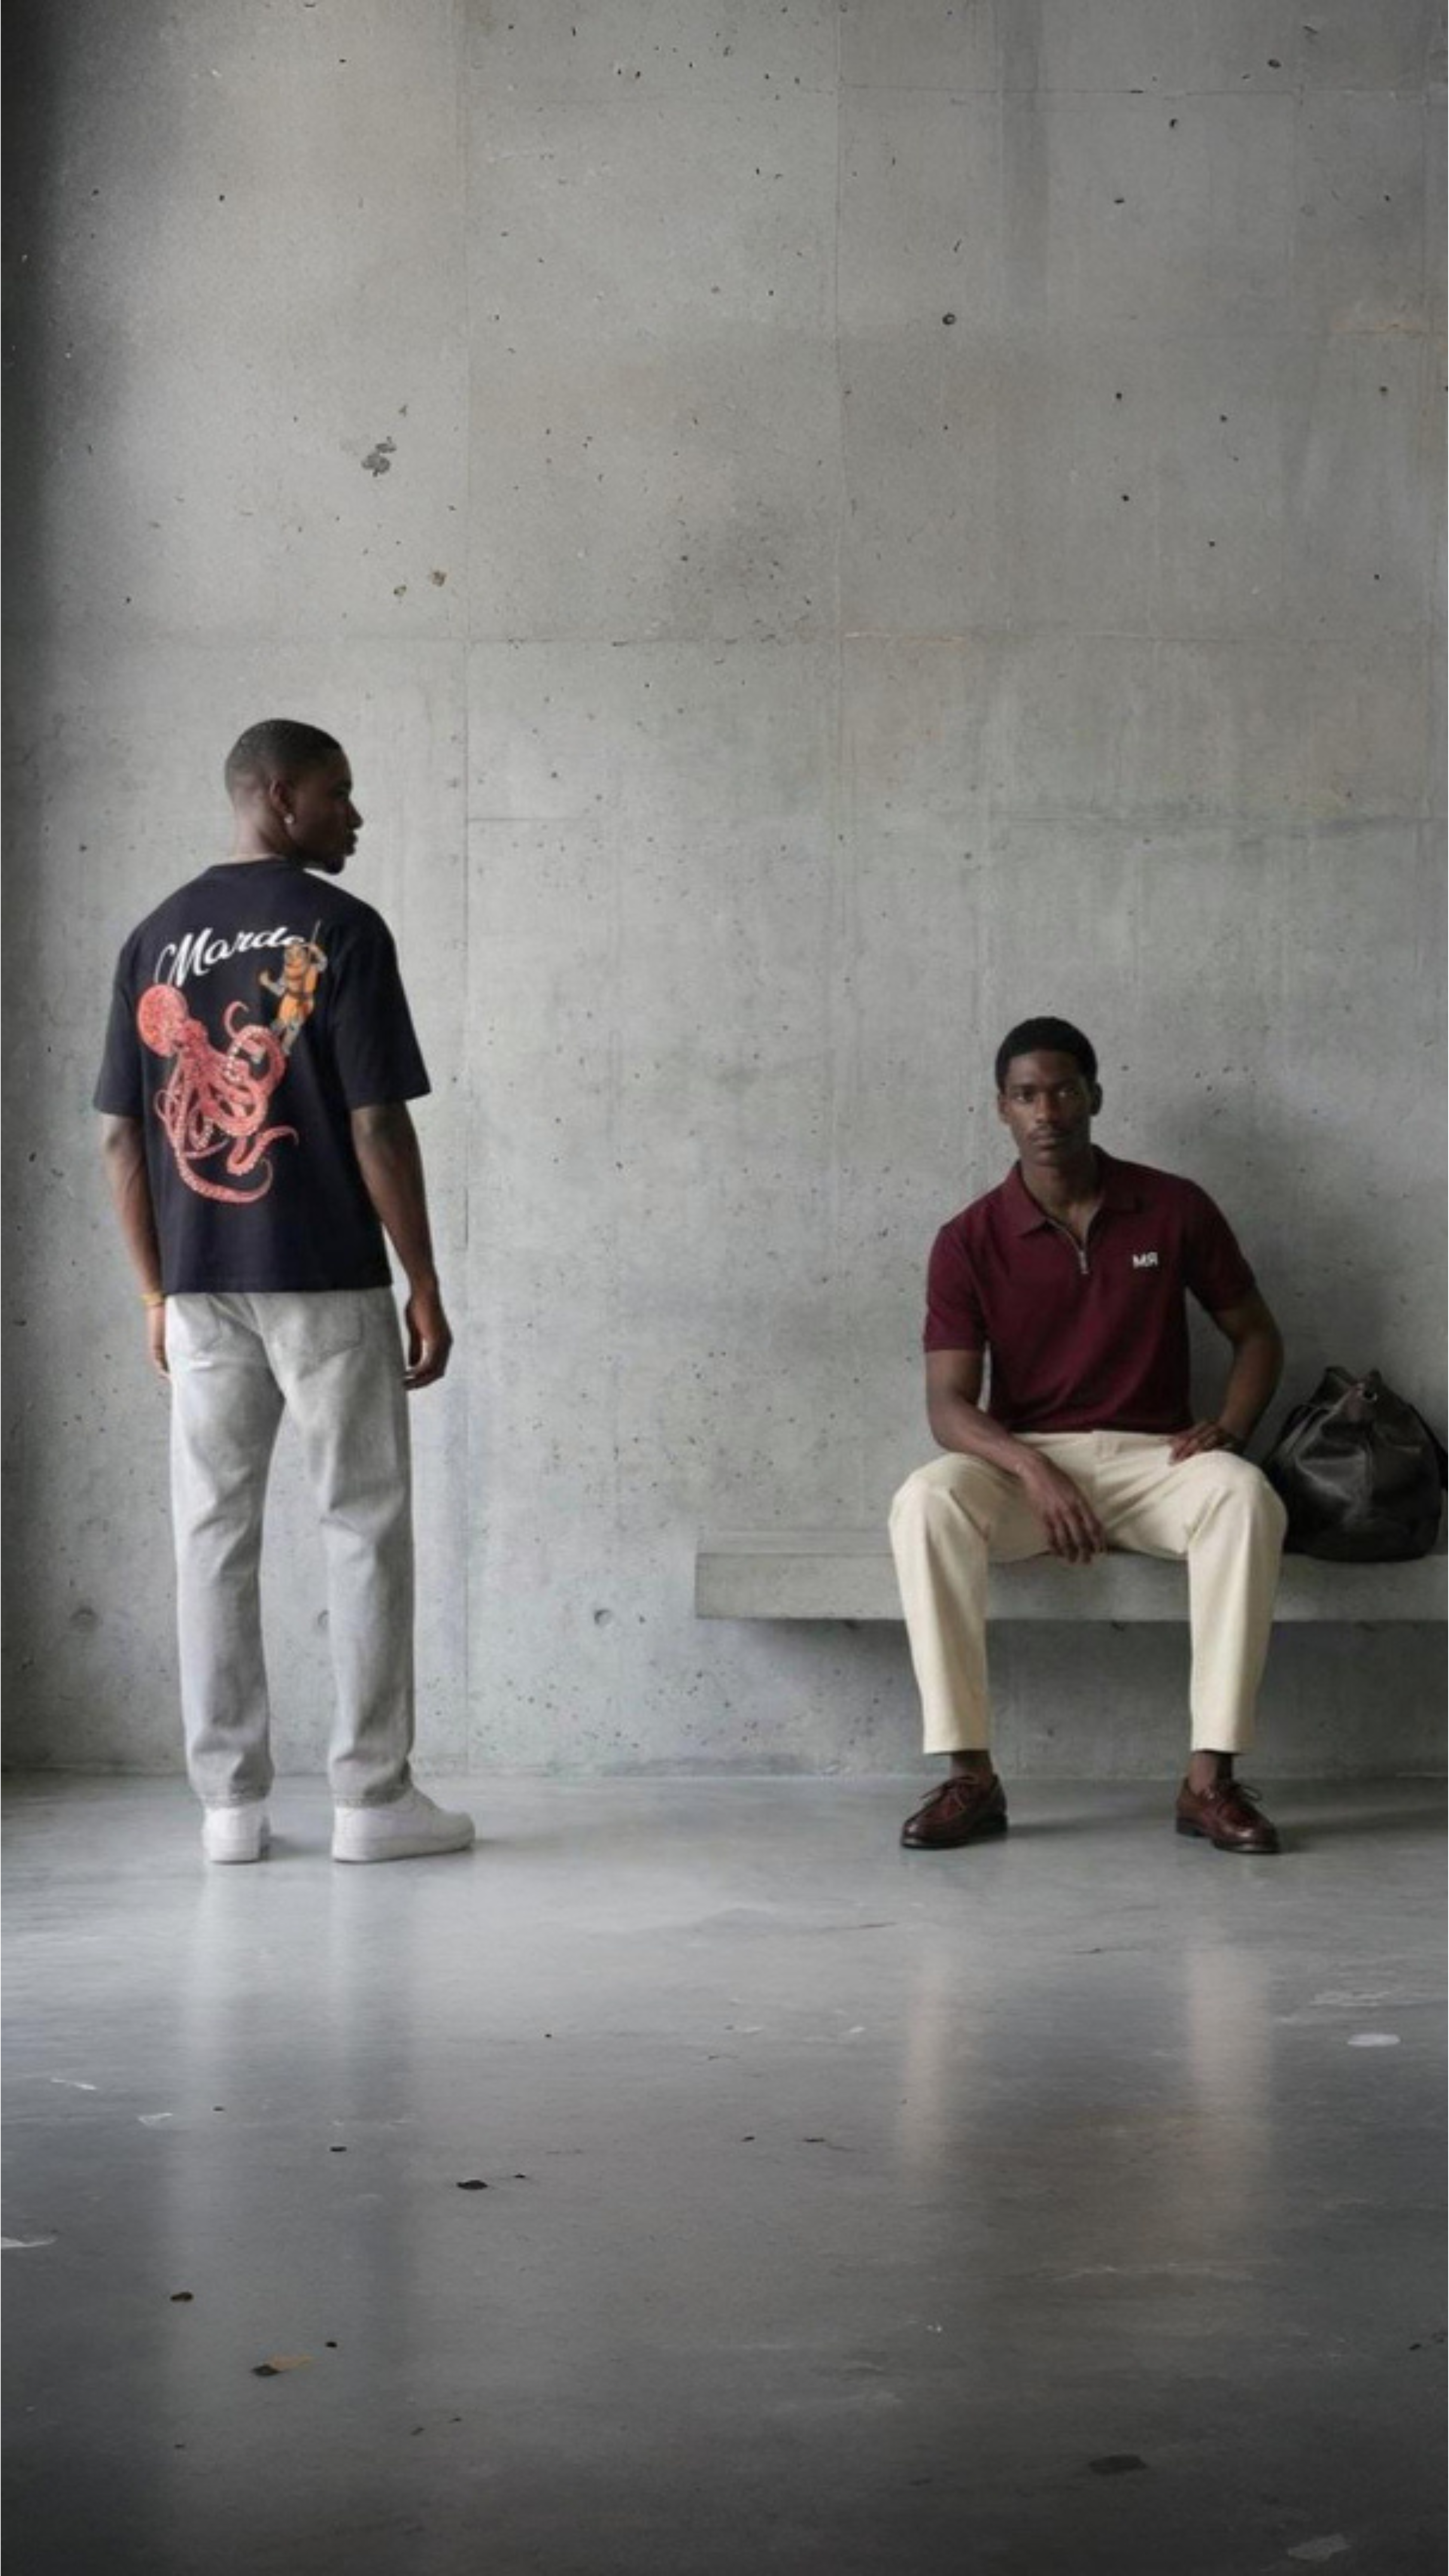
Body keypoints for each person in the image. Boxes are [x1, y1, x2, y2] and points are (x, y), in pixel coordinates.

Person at [94, 718, 473, 1865]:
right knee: (360, 1521)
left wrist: (156, 1292)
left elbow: (118, 1139)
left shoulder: (153, 938)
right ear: (276, 792)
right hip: (322, 1274)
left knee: (211, 1534)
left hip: (204, 1286)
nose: (354, 815)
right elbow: (374, 1123)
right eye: (338, 794)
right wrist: (425, 1279)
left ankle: (230, 1809)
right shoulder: (341, 929)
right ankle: (371, 1800)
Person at [890, 1016, 1288, 1856]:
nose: (1047, 1111)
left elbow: (1257, 1336)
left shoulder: (1172, 1206)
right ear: (1001, 1109)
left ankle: (1207, 1779)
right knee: (925, 1501)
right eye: (1026, 1095)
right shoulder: (968, 1239)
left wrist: (1231, 1428)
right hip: (1025, 1469)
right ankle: (971, 1774)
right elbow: (949, 1407)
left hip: (1157, 1462)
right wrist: (1030, 1467)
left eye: (1063, 1090)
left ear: (1093, 1096)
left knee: (1245, 1496)